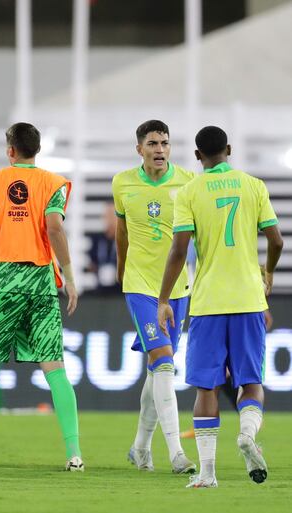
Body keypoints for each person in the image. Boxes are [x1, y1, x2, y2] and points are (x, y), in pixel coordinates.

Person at [158, 125, 283, 488]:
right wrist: (268, 272)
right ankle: (246, 433)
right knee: (251, 382)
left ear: (198, 157)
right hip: (248, 299)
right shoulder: (253, 185)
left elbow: (179, 250)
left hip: (208, 302)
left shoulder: (189, 192)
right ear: (228, 150)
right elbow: (276, 240)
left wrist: (164, 299)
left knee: (206, 388)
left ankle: (208, 474)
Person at [0, 122, 81, 471]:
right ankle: (74, 454)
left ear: (10, 150)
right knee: (55, 368)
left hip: (2, 279)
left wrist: (0, 252)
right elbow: (55, 226)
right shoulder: (52, 183)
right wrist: (69, 277)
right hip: (41, 280)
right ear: (38, 149)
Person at [112, 120, 196, 473]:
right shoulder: (122, 183)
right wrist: (122, 275)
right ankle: (177, 453)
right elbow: (122, 233)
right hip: (141, 287)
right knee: (164, 361)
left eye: (164, 143)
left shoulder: (189, 182)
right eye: (152, 143)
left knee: (155, 370)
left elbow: (199, 238)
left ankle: (140, 447)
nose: (159, 149)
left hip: (177, 289)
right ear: (139, 149)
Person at [86, 203, 120, 294]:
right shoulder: (97, 239)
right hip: (100, 288)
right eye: (108, 216)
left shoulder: (126, 241)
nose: (110, 220)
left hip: (120, 290)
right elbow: (92, 263)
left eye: (113, 216)